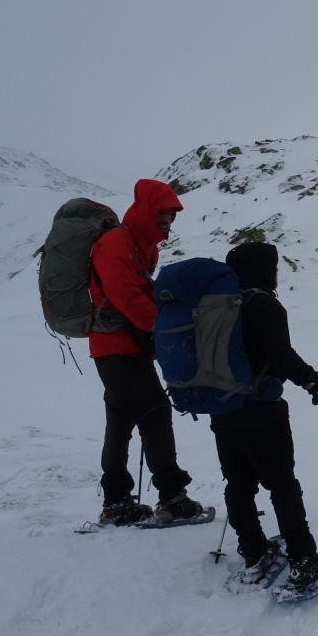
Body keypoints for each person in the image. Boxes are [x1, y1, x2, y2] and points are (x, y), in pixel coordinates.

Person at [213, 241, 318, 588]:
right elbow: (282, 356)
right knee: (282, 484)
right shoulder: (265, 305)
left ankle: (253, 551)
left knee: (239, 484)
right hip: (262, 409)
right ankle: (303, 559)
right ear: (265, 270)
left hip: (221, 409)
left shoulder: (217, 306)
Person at [90, 179, 203, 525]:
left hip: (123, 346)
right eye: (163, 214)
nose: (168, 221)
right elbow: (123, 292)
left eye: (172, 216)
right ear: (146, 211)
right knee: (154, 411)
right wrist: (161, 330)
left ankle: (116, 501)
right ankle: (171, 496)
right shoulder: (117, 242)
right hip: (115, 346)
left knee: (121, 417)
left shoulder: (142, 246)